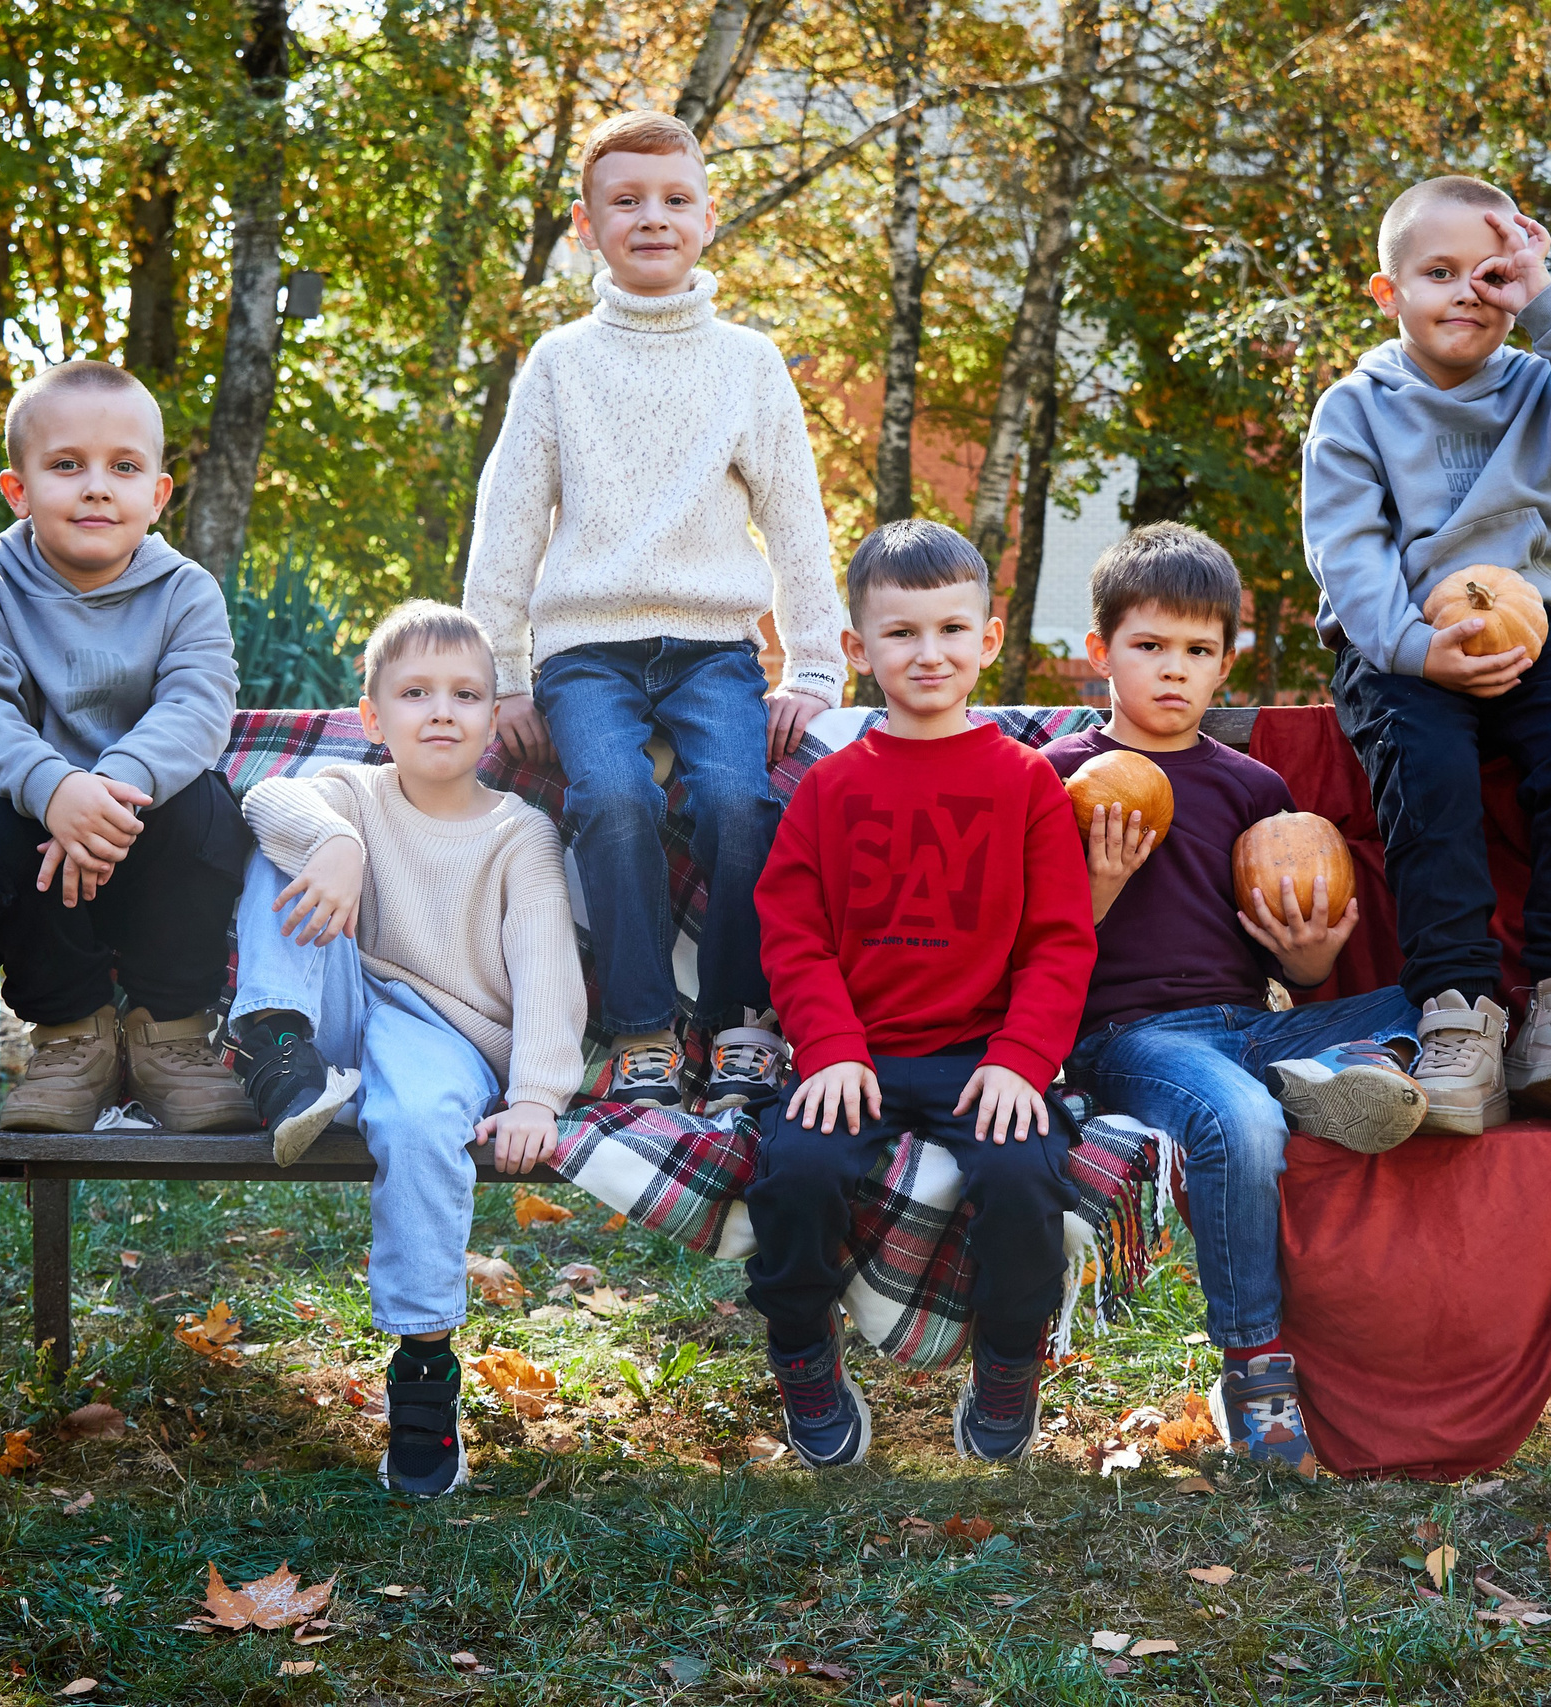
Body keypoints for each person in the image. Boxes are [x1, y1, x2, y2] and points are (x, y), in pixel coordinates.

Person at [460, 109, 846, 1112]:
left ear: (708, 219)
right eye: (625, 201)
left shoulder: (750, 362)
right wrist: (501, 676)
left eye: (674, 199)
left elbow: (796, 520)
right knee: (615, 802)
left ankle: (737, 1022)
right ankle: (638, 1028)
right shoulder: (558, 362)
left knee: (738, 802)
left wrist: (811, 667)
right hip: (585, 649)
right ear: (587, 226)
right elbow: (506, 522)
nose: (652, 217)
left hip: (713, 649)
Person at [1046, 523, 1425, 1479]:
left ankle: (1340, 1065)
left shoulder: (1255, 787)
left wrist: (1313, 956)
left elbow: (1287, 950)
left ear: (1225, 665)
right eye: (1149, 646)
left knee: (1431, 1002)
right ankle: (1254, 1364)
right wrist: (1094, 887)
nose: (1174, 671)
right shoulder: (1060, 781)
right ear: (1101, 654)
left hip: (1249, 1022)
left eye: (1198, 651)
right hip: (1129, 1037)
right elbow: (1031, 954)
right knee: (1243, 1119)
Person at [1301, 174, 1551, 1134]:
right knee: (1431, 774)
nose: (1467, 291)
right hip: (1401, 647)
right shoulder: (1356, 406)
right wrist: (1421, 651)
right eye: (1439, 272)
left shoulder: (1545, 385)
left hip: (1530, 633)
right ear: (1389, 293)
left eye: (1491, 274)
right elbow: (1350, 553)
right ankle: (1459, 1015)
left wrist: (1547, 305)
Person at [744, 520, 1096, 1468]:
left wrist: (1024, 1062)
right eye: (901, 633)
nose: (928, 652)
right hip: (855, 1051)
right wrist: (827, 1047)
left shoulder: (1027, 784)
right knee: (795, 1170)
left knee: (1025, 1180)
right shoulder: (827, 789)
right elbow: (793, 930)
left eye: (951, 629)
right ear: (858, 651)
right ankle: (803, 1353)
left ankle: (1010, 1357)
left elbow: (1061, 941)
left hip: (985, 1061)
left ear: (987, 640)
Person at [228, 600, 588, 1497]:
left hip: (445, 1035)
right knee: (287, 842)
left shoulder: (519, 833)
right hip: (333, 1017)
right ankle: (274, 1045)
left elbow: (547, 963)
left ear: (495, 716)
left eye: (466, 694)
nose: (440, 711)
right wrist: (337, 841)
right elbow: (260, 797)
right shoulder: (353, 789)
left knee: (421, 1118)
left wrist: (538, 1093)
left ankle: (424, 1363)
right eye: (415, 691)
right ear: (372, 717)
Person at [0, 359, 252, 1134]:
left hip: (141, 846)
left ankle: (170, 1034)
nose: (97, 486)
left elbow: (199, 706)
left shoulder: (186, 591)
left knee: (207, 808)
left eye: (124, 467)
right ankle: (72, 1036)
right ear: (19, 489)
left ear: (158, 493)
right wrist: (55, 790)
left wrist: (111, 787)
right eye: (67, 465)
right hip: (19, 853)